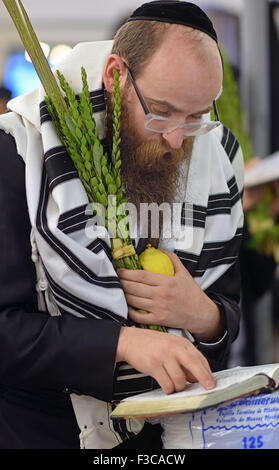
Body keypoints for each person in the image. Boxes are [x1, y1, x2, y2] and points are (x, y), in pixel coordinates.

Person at [0, 1, 243, 449]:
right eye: (163, 111)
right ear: (115, 76)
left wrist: (205, 317)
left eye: (195, 118)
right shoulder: (20, 153)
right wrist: (121, 343)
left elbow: (227, 302)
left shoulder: (216, 159)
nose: (176, 140)